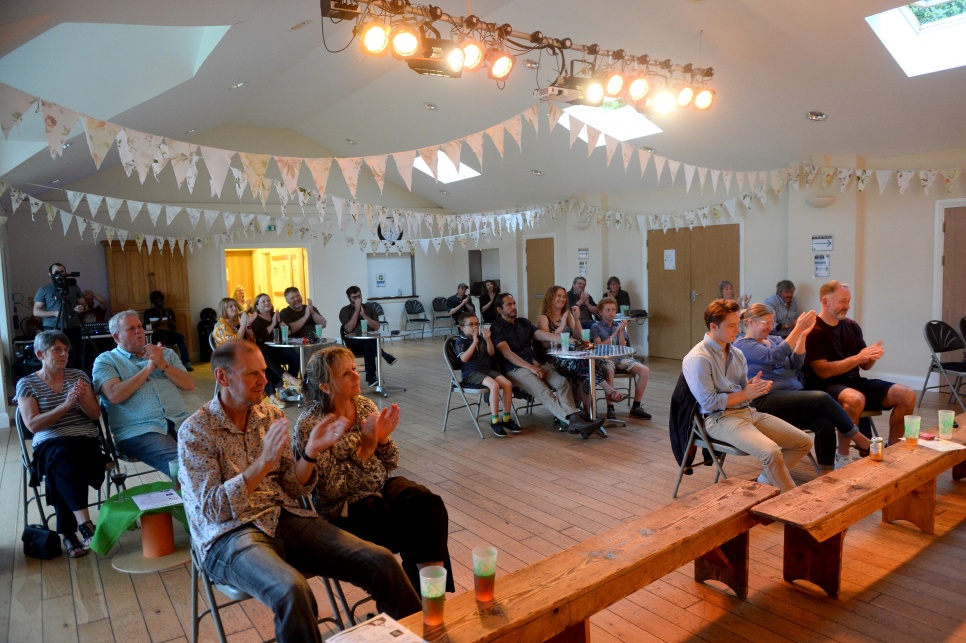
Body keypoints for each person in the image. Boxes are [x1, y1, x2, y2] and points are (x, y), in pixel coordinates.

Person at [179, 340, 420, 642]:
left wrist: (310, 453)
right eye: (251, 374)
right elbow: (213, 511)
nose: (264, 380)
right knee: (292, 589)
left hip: (285, 516)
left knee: (381, 561)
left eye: (264, 371)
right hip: (230, 534)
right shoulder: (196, 430)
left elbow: (293, 487)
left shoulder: (270, 416)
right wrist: (263, 463)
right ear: (223, 378)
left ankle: (419, 636)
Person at [294, 346, 455, 595]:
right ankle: (423, 598)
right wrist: (365, 451)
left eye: (355, 370)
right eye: (346, 374)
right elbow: (332, 491)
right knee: (411, 525)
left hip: (380, 486)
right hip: (344, 508)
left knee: (427, 503)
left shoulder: (366, 406)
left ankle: (429, 597)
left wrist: (383, 441)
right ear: (325, 386)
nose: (357, 376)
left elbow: (391, 462)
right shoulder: (311, 424)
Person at [682, 299, 812, 492]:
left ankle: (762, 484)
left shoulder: (736, 352)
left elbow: (742, 391)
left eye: (737, 324)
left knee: (803, 442)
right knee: (771, 452)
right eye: (731, 326)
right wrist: (745, 393)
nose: (737, 330)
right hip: (719, 419)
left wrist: (753, 388)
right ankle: (792, 501)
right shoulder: (698, 358)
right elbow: (709, 403)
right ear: (713, 326)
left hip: (746, 412)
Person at [735, 303, 871, 470]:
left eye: (772, 322)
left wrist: (803, 336)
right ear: (750, 323)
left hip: (791, 396)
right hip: (764, 399)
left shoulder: (775, 339)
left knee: (824, 422)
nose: (770, 327)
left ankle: (826, 473)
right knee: (821, 397)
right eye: (766, 323)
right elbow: (774, 357)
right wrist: (797, 330)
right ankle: (859, 438)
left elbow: (796, 362)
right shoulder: (742, 345)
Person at [16, 331, 108, 558]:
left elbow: (95, 415)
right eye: (57, 350)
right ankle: (84, 525)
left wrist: (84, 400)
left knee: (66, 462)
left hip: (84, 439)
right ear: (40, 354)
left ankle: (68, 533)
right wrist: (65, 406)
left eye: (66, 350)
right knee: (63, 457)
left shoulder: (78, 376)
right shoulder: (27, 384)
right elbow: (33, 426)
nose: (64, 354)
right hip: (50, 442)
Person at [804, 280, 917, 445]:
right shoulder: (813, 329)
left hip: (854, 383)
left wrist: (870, 357)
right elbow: (823, 371)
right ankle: (842, 457)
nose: (848, 306)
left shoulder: (851, 326)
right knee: (855, 399)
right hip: (824, 387)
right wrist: (858, 358)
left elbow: (864, 365)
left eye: (848, 301)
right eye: (843, 301)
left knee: (907, 395)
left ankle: (893, 450)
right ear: (825, 302)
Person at [93, 310, 194, 475]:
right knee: (185, 466)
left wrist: (162, 364)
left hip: (180, 422)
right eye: (131, 329)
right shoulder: (106, 360)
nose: (138, 331)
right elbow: (114, 395)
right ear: (117, 337)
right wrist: (149, 368)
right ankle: (185, 498)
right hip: (139, 431)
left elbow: (189, 385)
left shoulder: (165, 354)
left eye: (139, 326)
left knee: (217, 453)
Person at [490, 293, 603, 438]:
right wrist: (531, 368)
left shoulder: (523, 322)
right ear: (500, 310)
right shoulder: (496, 328)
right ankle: (574, 420)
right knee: (544, 391)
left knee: (562, 382)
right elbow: (507, 354)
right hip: (515, 368)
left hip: (536, 363)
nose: (513, 307)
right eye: (509, 305)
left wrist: (571, 340)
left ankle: (575, 420)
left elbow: (544, 335)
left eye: (514, 303)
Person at [537, 285, 622, 415]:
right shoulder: (544, 318)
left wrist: (575, 319)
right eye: (558, 296)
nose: (562, 299)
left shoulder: (568, 314)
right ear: (550, 298)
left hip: (571, 354)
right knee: (584, 366)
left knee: (588, 365)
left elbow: (579, 336)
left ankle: (589, 413)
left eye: (564, 296)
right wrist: (564, 323)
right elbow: (545, 344)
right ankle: (609, 393)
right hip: (554, 357)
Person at [455, 313, 520, 437]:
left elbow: (490, 353)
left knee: (507, 384)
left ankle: (506, 418)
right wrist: (474, 342)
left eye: (476, 324)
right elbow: (464, 358)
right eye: (471, 324)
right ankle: (495, 420)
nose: (475, 327)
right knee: (494, 386)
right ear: (462, 328)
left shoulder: (480, 338)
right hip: (471, 373)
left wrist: (488, 339)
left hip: (485, 370)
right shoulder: (460, 341)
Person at [591, 297, 652, 420]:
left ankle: (636, 406)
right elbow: (598, 346)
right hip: (604, 358)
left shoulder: (618, 325)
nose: (611, 313)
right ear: (601, 312)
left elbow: (622, 347)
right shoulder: (595, 327)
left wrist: (620, 332)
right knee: (609, 370)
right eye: (608, 310)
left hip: (619, 357)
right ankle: (610, 407)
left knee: (645, 370)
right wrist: (614, 333)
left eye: (613, 310)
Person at [250, 293, 303, 408]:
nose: (267, 303)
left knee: (295, 355)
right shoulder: (256, 319)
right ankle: (284, 381)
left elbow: (288, 331)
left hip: (278, 349)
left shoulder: (276, 315)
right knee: (265, 360)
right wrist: (273, 323)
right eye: (263, 301)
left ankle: (289, 385)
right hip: (264, 351)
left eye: (268, 300)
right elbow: (261, 336)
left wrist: (278, 321)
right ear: (257, 306)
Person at [339, 286, 397, 387]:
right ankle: (385, 355)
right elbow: (349, 329)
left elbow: (376, 327)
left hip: (369, 341)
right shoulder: (345, 310)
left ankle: (372, 380)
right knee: (369, 343)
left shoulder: (369, 307)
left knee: (368, 344)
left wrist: (364, 315)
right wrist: (357, 310)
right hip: (353, 342)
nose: (357, 299)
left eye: (359, 296)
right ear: (349, 298)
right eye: (354, 297)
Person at [34, 263, 86, 368]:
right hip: (52, 327)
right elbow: (36, 311)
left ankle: (73, 378)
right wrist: (54, 313)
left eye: (62, 272)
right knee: (54, 353)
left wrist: (82, 308)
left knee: (74, 354)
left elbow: (83, 304)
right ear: (50, 274)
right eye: (56, 272)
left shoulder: (74, 287)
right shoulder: (44, 289)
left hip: (73, 325)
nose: (60, 274)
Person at [143, 290, 193, 371]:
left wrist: (168, 316)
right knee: (162, 336)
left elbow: (173, 327)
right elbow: (147, 327)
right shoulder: (148, 312)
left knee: (180, 337)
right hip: (156, 334)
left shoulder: (169, 311)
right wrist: (160, 318)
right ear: (153, 301)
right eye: (157, 299)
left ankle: (186, 362)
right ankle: (164, 362)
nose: (160, 301)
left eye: (161, 299)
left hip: (169, 333)